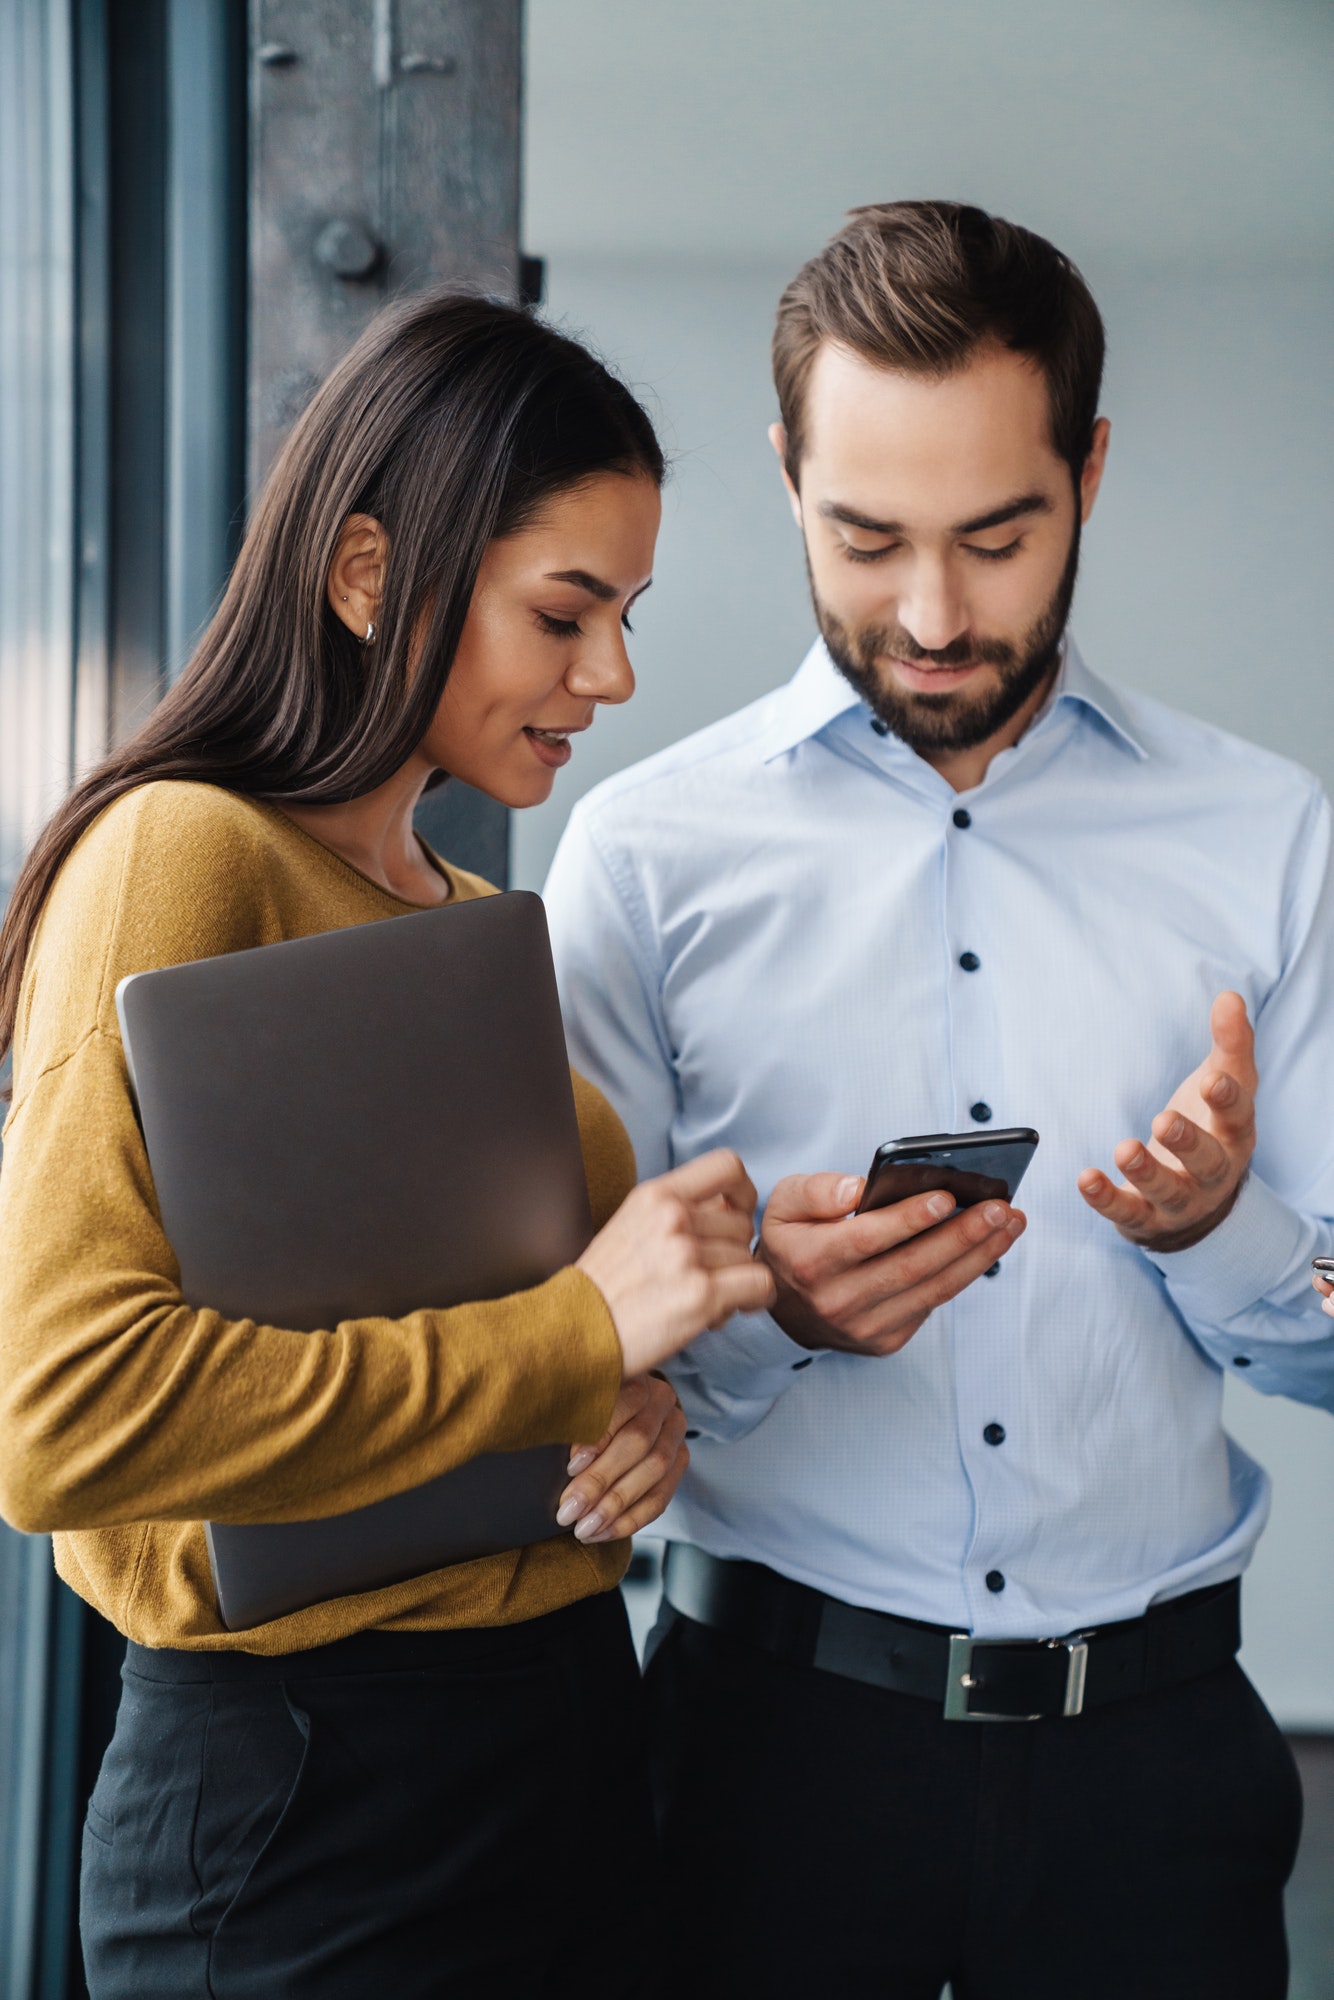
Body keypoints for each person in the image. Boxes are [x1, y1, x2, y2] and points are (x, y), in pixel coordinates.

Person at [544, 202, 1334, 1999]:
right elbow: (571, 1382)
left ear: (1092, 471)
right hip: (758, 1765)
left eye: (995, 536)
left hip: (1164, 1781)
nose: (928, 614)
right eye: (865, 536)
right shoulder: (643, 859)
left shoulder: (1266, 834)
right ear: (784, 473)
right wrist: (774, 1322)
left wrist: (1232, 1237)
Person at [0, 292, 775, 1999]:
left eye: (625, 617)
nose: (613, 677)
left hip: (567, 1741)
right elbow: (64, 1413)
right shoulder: (179, 854)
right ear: (367, 574)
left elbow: (499, 1360)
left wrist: (622, 1415)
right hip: (306, 1806)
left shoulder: (480, 925)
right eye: (563, 612)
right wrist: (574, 1338)